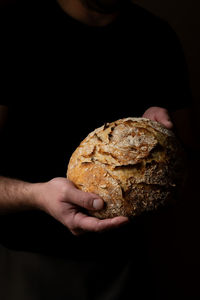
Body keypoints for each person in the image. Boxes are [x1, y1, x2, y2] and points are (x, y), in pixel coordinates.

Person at [0, 0, 193, 299]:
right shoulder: (12, 29)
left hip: (126, 264)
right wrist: (35, 195)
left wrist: (165, 136)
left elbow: (184, 159)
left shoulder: (156, 36)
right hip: (28, 263)